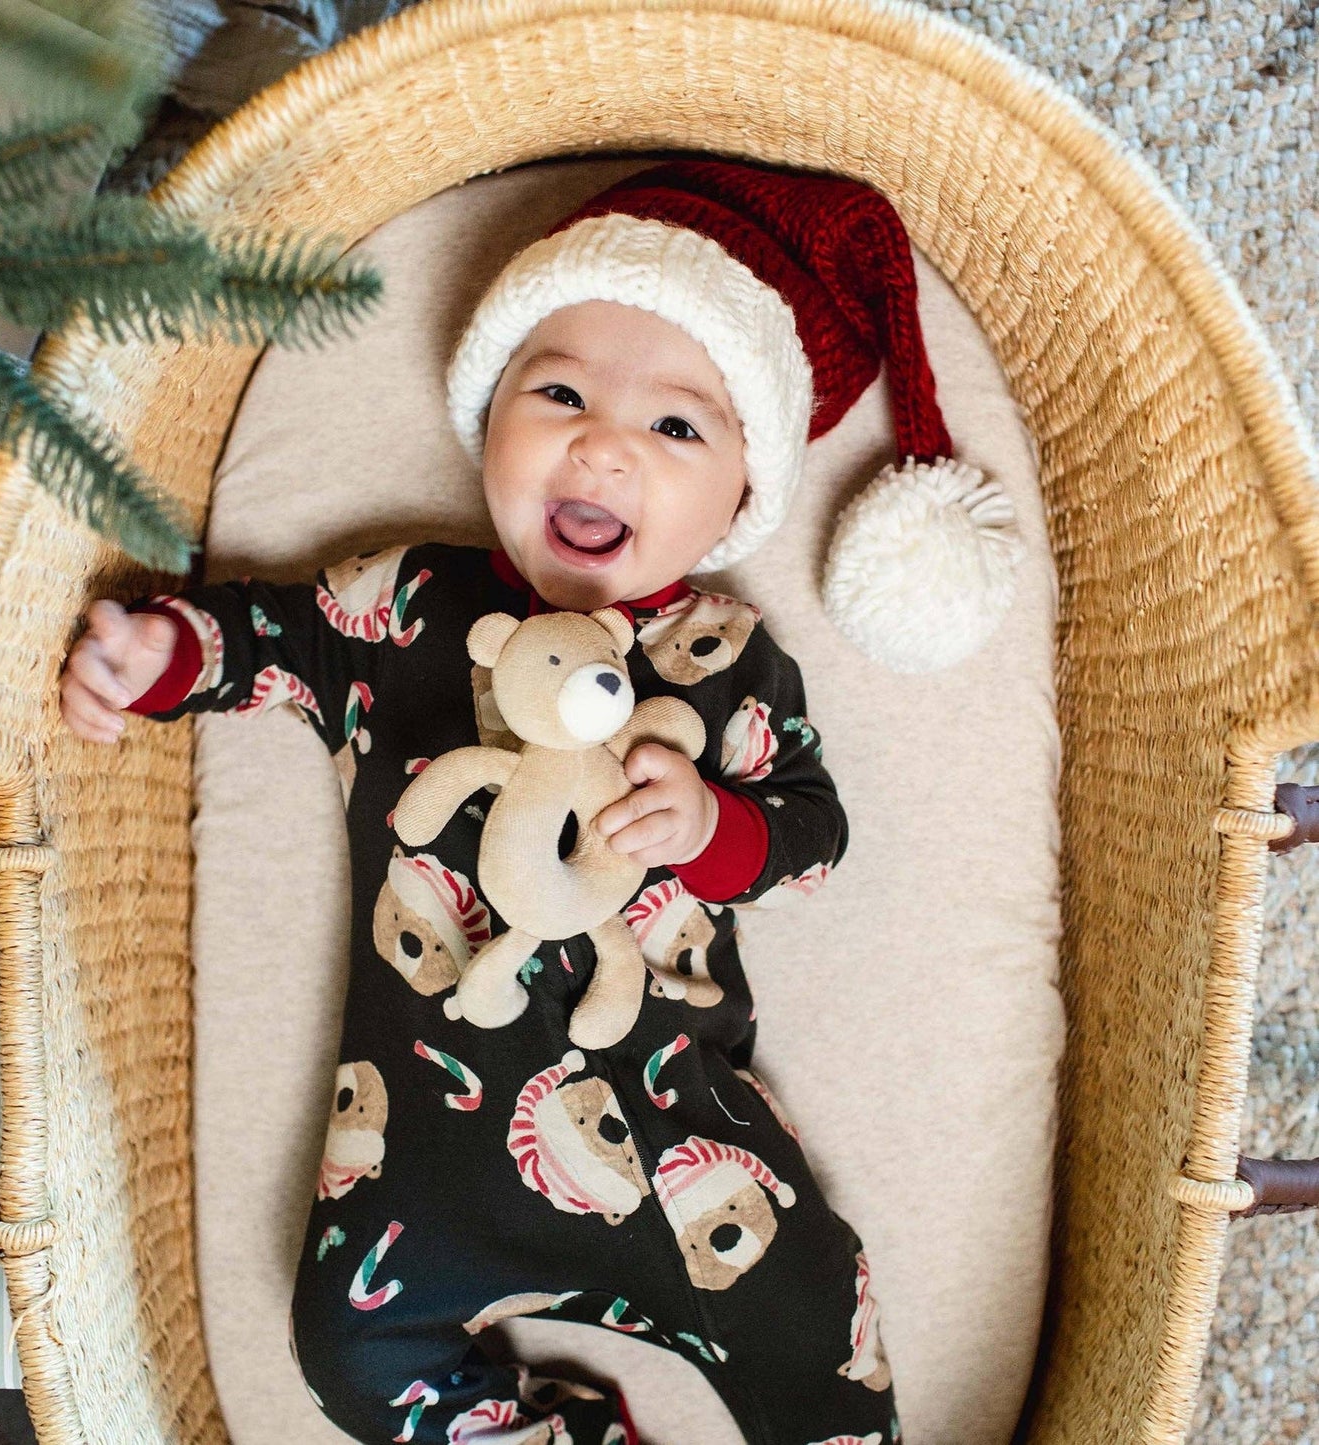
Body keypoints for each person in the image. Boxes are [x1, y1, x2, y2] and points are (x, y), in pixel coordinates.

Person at [58, 160, 982, 1445]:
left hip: (671, 1137)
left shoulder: (722, 652)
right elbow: (268, 639)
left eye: (675, 428)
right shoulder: (406, 603)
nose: (601, 442)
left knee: (819, 1317)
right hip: (418, 1163)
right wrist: (158, 655)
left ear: (734, 503)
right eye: (557, 393)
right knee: (345, 1348)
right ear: (486, 413)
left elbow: (812, 834)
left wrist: (715, 826)